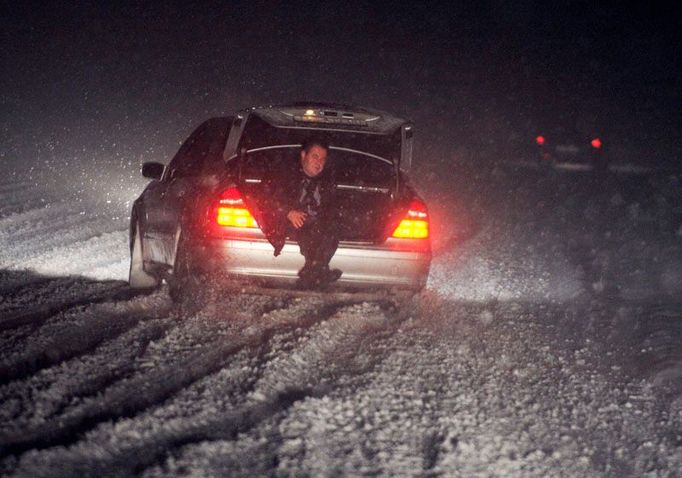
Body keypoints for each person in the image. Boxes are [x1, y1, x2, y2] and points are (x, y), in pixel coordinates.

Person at [263, 136, 343, 289]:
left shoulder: (328, 181)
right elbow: (265, 198)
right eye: (315, 156)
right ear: (303, 155)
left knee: (328, 228)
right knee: (313, 230)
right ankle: (318, 272)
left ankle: (314, 271)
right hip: (289, 224)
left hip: (317, 228)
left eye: (323, 159)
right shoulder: (285, 174)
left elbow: (334, 208)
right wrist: (287, 211)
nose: (319, 162)